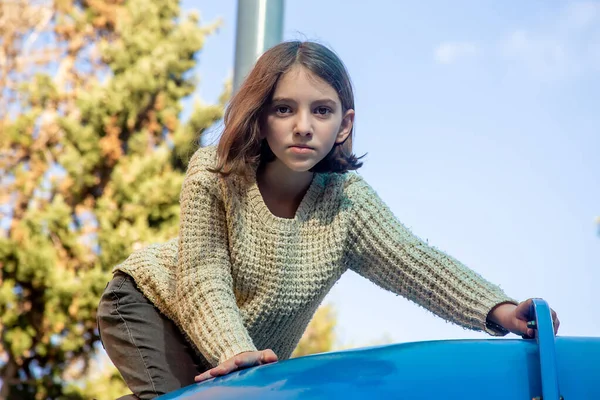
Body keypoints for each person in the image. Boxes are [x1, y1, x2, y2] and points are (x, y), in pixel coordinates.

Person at [96, 40, 560, 399]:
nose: (303, 125)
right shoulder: (214, 172)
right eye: (284, 109)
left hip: (242, 357)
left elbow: (415, 263)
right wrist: (237, 352)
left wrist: (499, 310)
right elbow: (203, 275)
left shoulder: (346, 205)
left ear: (344, 124)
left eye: (321, 110)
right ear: (261, 119)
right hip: (153, 307)